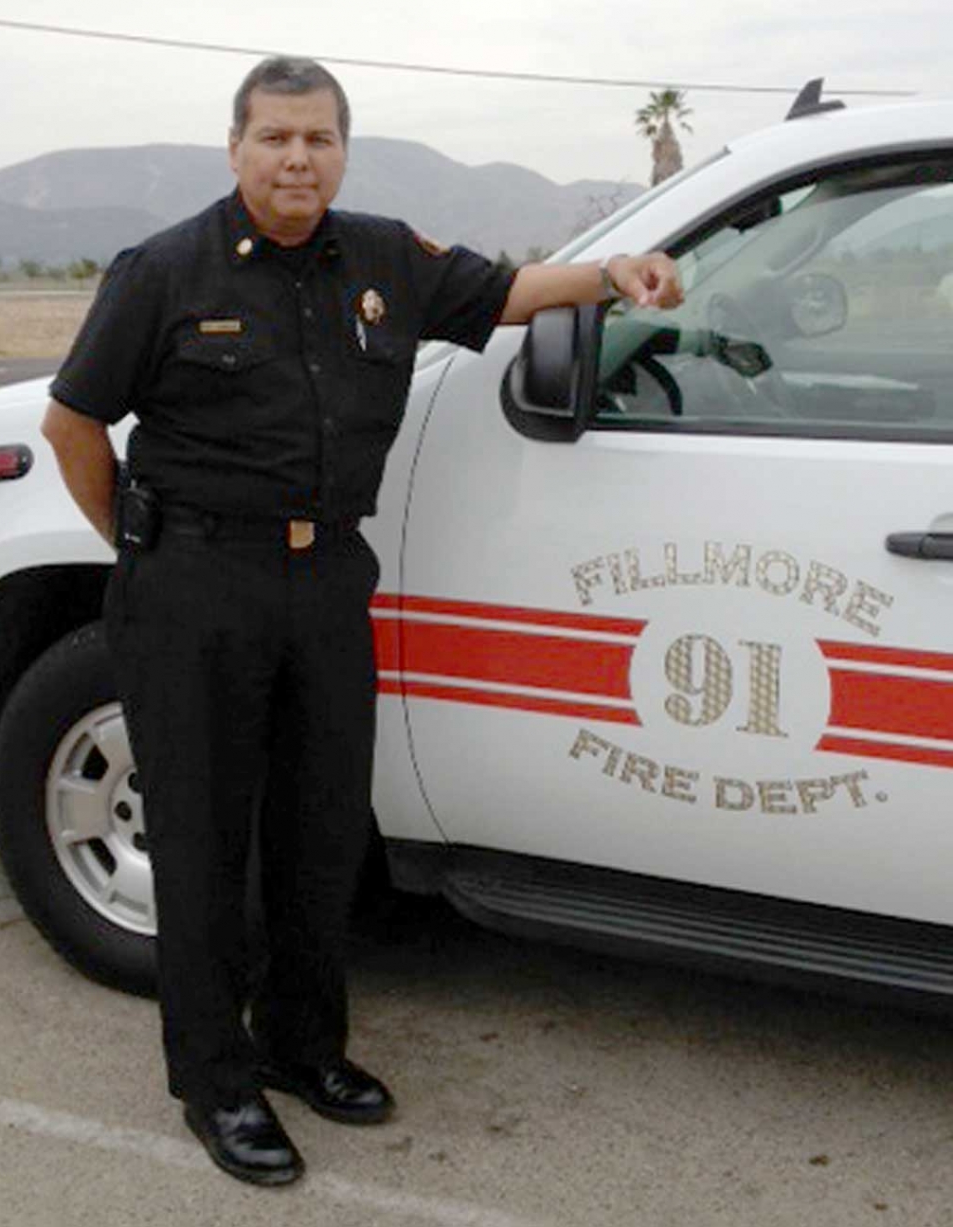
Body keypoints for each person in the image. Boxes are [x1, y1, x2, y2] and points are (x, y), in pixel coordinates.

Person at [41, 55, 682, 1187]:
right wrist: (144, 550)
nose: (298, 158)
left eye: (318, 139)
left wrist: (613, 273)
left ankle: (302, 1047)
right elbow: (71, 424)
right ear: (235, 147)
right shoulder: (165, 269)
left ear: (342, 150)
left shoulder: (386, 257)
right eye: (275, 137)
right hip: (194, 587)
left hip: (329, 578)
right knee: (201, 843)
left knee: (322, 828)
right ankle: (216, 1081)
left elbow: (505, 294)